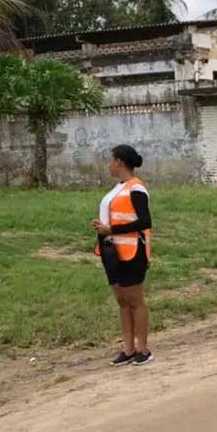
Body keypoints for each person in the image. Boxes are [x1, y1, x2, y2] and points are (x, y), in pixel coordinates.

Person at [92, 144, 154, 367]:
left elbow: (145, 221)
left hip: (132, 252)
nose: (109, 164)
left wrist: (112, 229)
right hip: (113, 252)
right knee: (122, 302)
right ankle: (128, 349)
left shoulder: (136, 188)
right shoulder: (118, 188)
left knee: (135, 301)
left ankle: (143, 348)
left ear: (119, 161)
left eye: (111, 160)